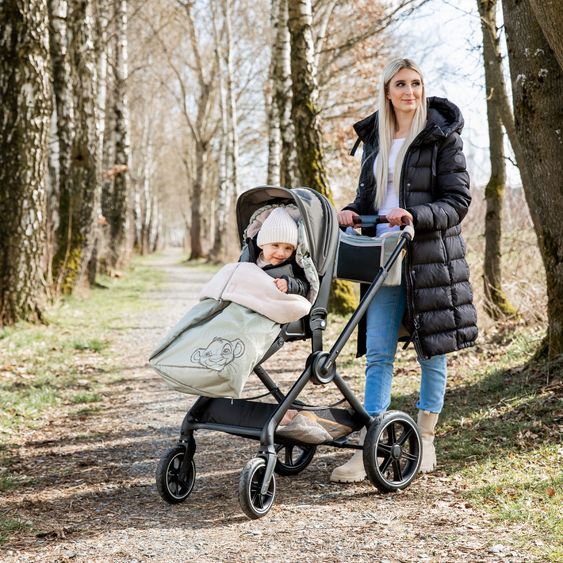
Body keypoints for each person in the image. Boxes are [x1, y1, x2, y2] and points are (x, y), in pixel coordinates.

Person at [330, 58, 478, 482]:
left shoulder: (442, 138)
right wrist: (351, 213)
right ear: (387, 91)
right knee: (379, 351)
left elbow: (458, 202)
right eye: (401, 84)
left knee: (432, 350)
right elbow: (370, 201)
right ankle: (372, 444)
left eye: (416, 83)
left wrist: (412, 215)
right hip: (381, 255)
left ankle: (425, 439)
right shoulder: (376, 138)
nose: (410, 91)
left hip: (430, 257)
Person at [250, 206, 309, 296]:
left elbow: (305, 285)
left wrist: (289, 284)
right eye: (275, 245)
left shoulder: (293, 264)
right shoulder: (250, 256)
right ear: (262, 244)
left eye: (288, 248)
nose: (281, 253)